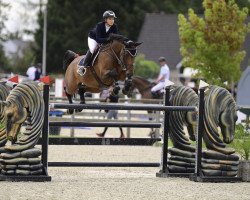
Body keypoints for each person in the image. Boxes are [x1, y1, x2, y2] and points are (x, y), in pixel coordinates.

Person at [77, 10, 118, 76]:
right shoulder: (100, 25)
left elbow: (116, 37)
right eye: (110, 19)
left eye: (113, 19)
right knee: (93, 49)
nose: (112, 21)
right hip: (94, 39)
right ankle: (83, 67)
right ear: (105, 19)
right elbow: (99, 40)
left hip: (104, 40)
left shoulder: (114, 26)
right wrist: (109, 39)